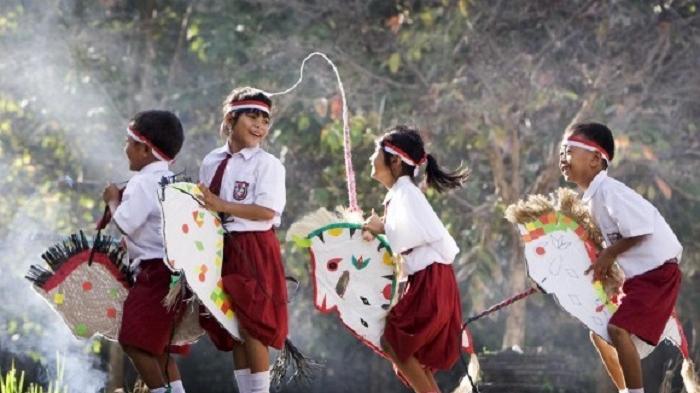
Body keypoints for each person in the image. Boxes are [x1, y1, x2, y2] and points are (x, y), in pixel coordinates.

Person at [559, 122, 682, 393]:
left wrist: (609, 254)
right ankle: (628, 390)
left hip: (657, 274)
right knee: (600, 333)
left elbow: (641, 230)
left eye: (568, 151)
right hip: (640, 279)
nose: (562, 158)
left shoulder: (610, 191)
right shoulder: (590, 200)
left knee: (616, 330)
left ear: (594, 159)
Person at [362, 125, 469, 393]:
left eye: (377, 152)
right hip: (428, 277)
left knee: (395, 343)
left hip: (430, 278)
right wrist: (382, 226)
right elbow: (407, 233)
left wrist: (381, 228)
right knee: (406, 352)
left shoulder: (406, 193)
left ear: (395, 161)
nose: (371, 159)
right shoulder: (400, 194)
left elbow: (404, 237)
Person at [196, 87, 287, 393]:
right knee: (232, 326)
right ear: (230, 118)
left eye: (265, 119)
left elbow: (266, 211)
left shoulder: (267, 164)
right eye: (252, 116)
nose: (260, 125)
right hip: (221, 247)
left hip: (254, 248)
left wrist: (222, 206)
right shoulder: (211, 160)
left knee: (253, 326)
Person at [102, 110, 187, 393]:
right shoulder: (172, 180)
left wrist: (113, 200)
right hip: (175, 271)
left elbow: (126, 222)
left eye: (129, 142)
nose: (125, 148)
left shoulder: (142, 182)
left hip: (155, 272)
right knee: (158, 348)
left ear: (145, 149)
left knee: (132, 341)